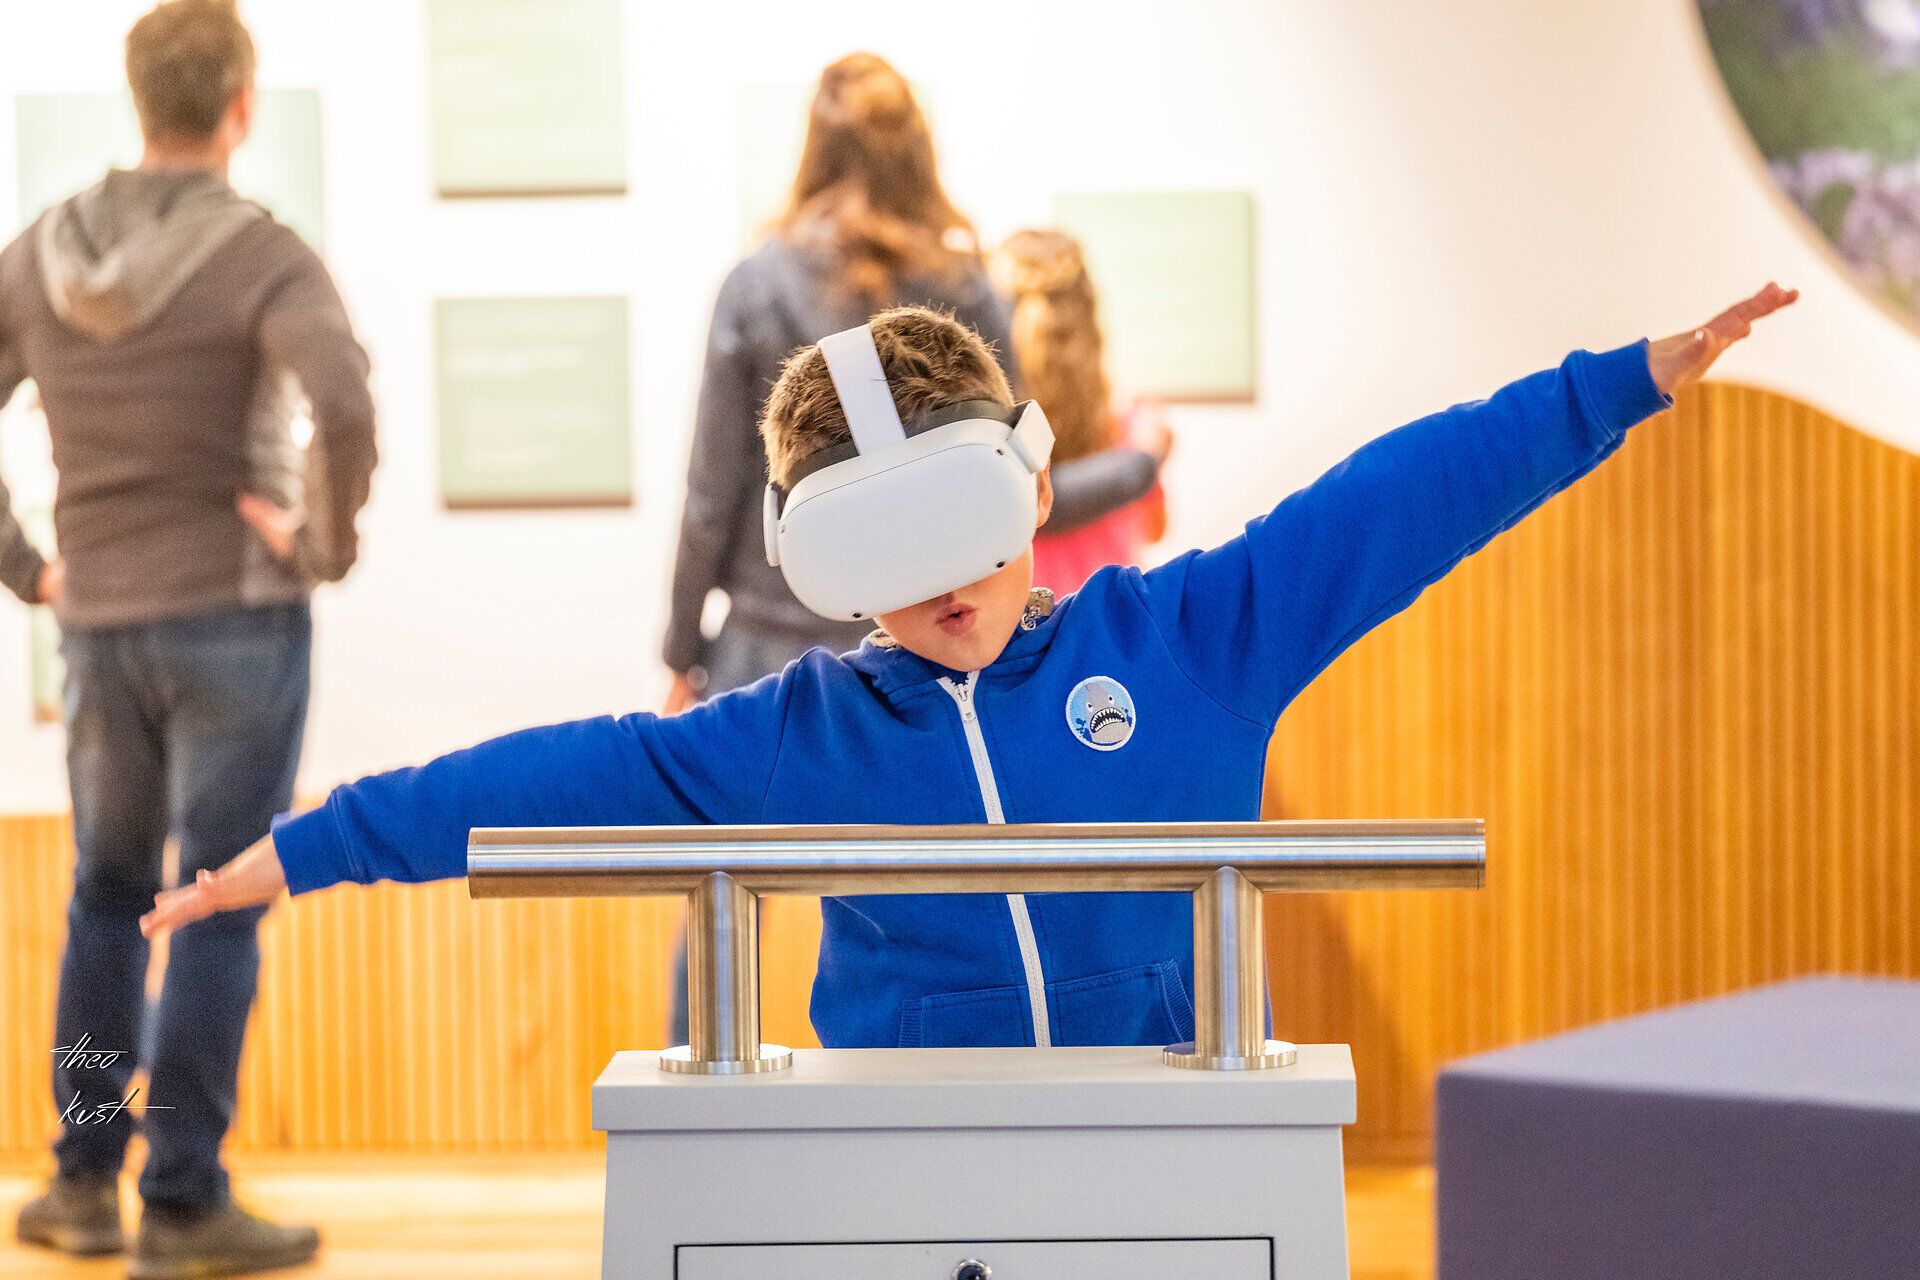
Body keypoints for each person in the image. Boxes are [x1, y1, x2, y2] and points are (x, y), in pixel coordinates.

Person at [139, 287, 1796, 1060]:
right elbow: (543, 781)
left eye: (963, 530)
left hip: (1174, 1128)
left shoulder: (1190, 643)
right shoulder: (792, 741)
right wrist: (305, 849)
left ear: (1029, 483)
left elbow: (1401, 499)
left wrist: (1615, 386)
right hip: (904, 1160)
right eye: (889, 551)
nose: (943, 589)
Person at [659, 53, 1164, 1044]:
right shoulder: (961, 285)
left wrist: (682, 650)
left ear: (815, 147)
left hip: (764, 641)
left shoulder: (755, 285)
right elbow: (1017, 484)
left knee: (721, 900)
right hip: (923, 641)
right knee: (940, 902)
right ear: (916, 149)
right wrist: (1140, 465)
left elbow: (712, 496)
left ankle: (699, 1096)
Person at [2, 2, 377, 1274]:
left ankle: (81, 1180)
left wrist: (29, 567)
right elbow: (343, 401)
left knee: (106, 896)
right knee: (214, 900)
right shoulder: (260, 253)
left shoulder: (40, 253)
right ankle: (181, 1197)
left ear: (138, 94)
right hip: (235, 618)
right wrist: (321, 543)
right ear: (240, 104)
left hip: (98, 626)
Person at [992, 228, 1175, 595]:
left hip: (1020, 626)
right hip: (1113, 622)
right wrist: (1152, 456)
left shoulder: (994, 441)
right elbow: (1156, 529)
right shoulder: (1135, 430)